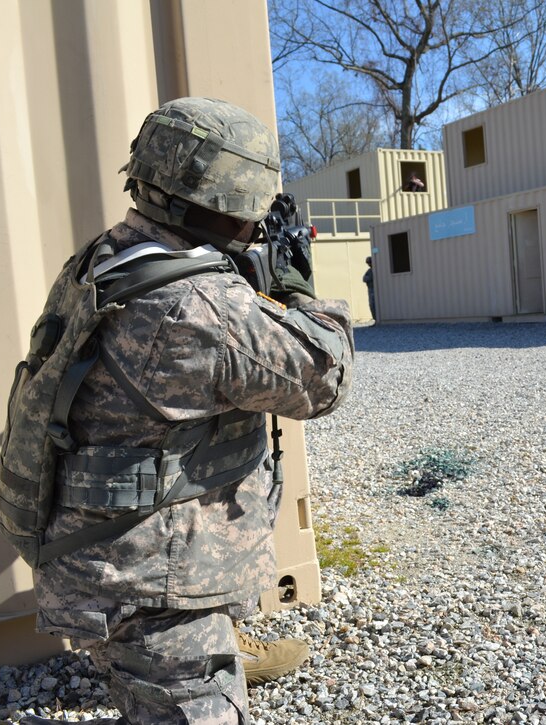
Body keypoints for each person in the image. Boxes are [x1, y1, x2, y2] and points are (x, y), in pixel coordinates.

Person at [18, 97, 353, 724]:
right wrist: (298, 288)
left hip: (93, 549)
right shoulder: (198, 304)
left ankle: (199, 649)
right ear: (211, 203)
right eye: (246, 210)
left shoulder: (107, 255)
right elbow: (323, 377)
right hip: (149, 583)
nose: (254, 224)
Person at [362, 256, 376, 320]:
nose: (369, 264)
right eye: (368, 263)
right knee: (372, 305)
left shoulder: (376, 269)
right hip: (370, 289)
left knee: (375, 305)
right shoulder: (369, 271)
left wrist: (368, 278)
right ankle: (375, 319)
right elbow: (364, 278)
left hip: (375, 289)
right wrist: (368, 278)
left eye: (370, 262)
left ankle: (377, 319)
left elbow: (370, 278)